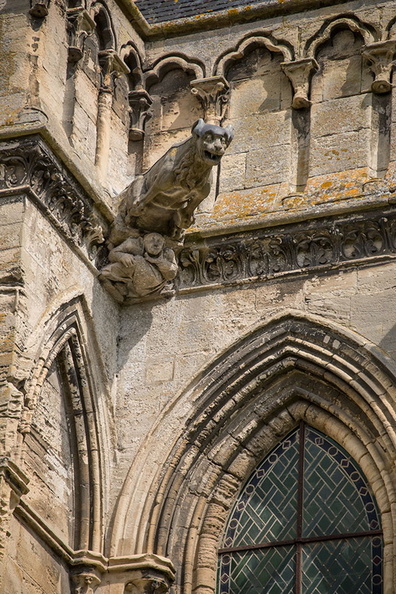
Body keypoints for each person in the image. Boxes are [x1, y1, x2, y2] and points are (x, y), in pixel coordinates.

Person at [100, 232, 178, 298]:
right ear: (143, 241)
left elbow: (171, 275)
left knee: (138, 260)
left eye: (159, 241)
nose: (156, 244)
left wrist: (159, 261)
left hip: (156, 283)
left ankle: (130, 289)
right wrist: (122, 256)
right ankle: (126, 287)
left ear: (164, 244)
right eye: (152, 240)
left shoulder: (167, 253)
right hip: (132, 273)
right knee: (106, 272)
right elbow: (112, 254)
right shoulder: (133, 244)